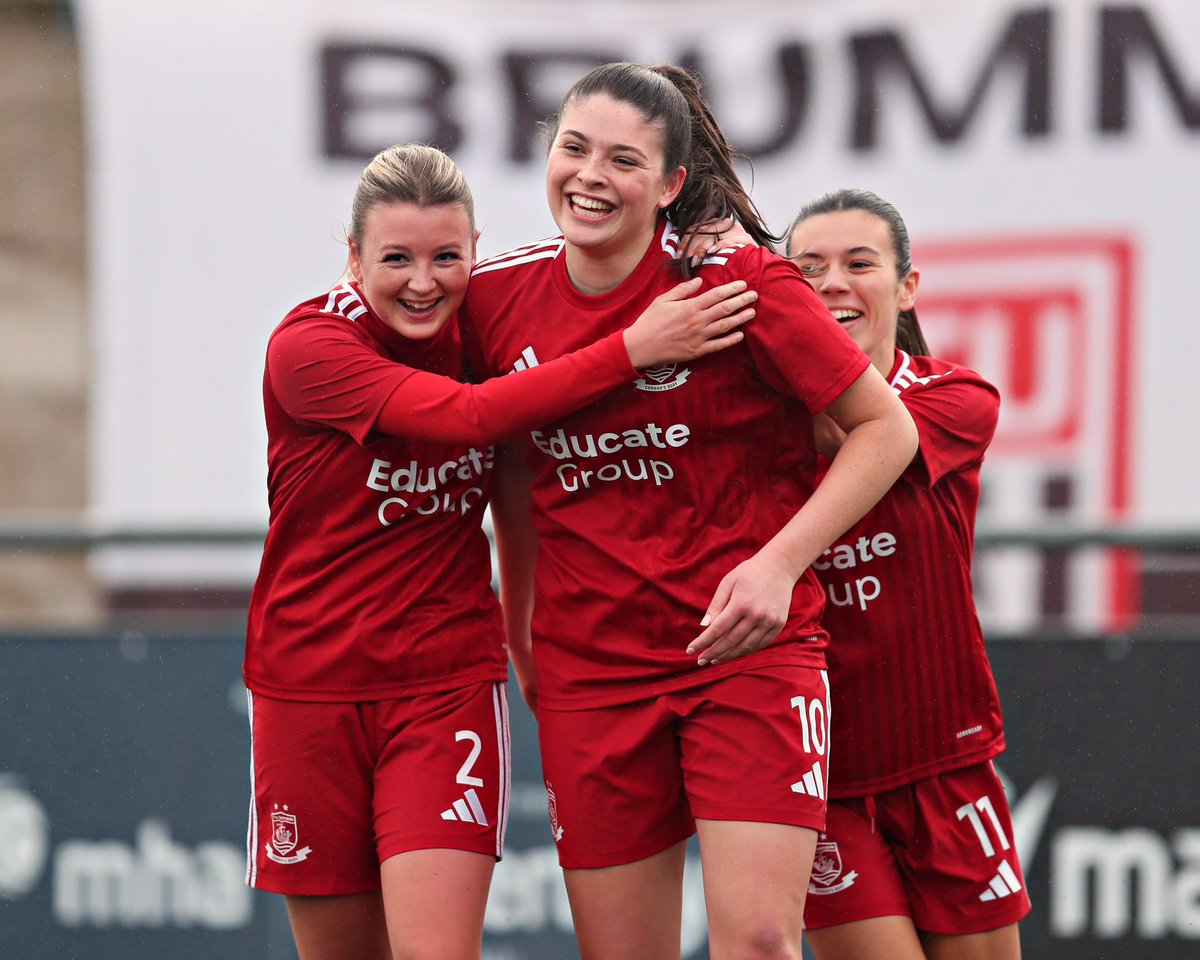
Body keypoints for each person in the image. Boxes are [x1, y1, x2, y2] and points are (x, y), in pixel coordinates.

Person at [241, 141, 760, 960]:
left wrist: (693, 236)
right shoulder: (309, 348)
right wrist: (634, 347)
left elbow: (519, 481)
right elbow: (471, 421)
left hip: (443, 684)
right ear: (351, 259)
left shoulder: (483, 332)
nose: (423, 281)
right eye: (396, 258)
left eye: (447, 256)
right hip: (308, 689)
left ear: (476, 252)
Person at [462, 64, 919, 960]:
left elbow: (886, 430)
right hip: (591, 673)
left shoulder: (740, 285)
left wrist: (779, 565)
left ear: (671, 185)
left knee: (756, 943)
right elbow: (508, 474)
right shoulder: (493, 299)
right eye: (574, 148)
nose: (591, 175)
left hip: (744, 657)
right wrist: (521, 632)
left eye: (624, 160)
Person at [784, 189, 1030, 959]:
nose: (832, 284)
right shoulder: (757, 424)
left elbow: (858, 432)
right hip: (823, 783)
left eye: (860, 264)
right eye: (807, 269)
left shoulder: (956, 399)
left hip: (947, 764)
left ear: (906, 287)